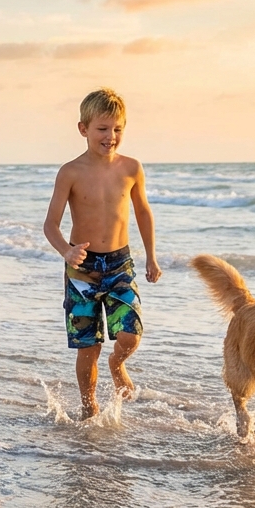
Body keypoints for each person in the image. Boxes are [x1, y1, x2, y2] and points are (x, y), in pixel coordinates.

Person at [43, 88, 163, 419]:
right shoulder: (70, 172)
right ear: (83, 129)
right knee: (88, 347)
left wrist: (151, 257)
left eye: (117, 129)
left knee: (130, 332)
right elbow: (50, 225)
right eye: (102, 129)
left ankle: (117, 363)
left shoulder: (131, 168)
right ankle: (89, 407)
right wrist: (67, 252)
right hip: (82, 269)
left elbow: (143, 212)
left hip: (119, 263)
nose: (110, 137)